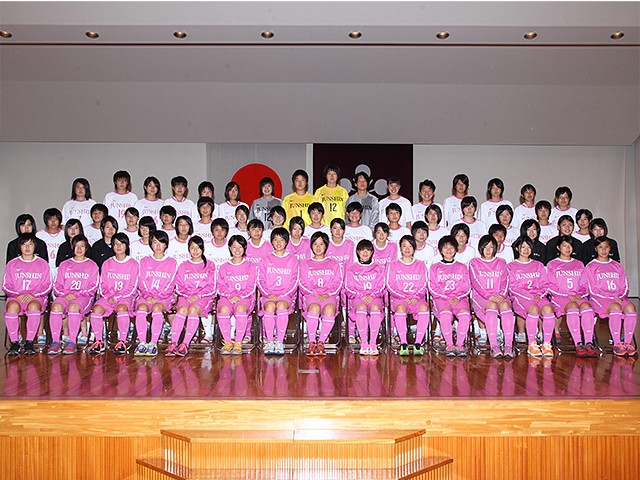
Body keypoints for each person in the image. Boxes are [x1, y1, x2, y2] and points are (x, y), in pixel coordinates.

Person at [582, 236, 636, 356]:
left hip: (618, 298)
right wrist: (611, 298)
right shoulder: (590, 267)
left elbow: (625, 285)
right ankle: (617, 344)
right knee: (615, 307)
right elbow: (591, 288)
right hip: (600, 299)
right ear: (596, 249)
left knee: (631, 308)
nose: (603, 250)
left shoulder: (617, 266)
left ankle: (627, 342)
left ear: (610, 248)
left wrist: (621, 296)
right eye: (600, 247)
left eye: (606, 247)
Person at [88, 233, 139, 355]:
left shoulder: (133, 264)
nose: (118, 246)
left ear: (127, 245)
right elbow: (103, 284)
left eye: (121, 243)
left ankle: (122, 341)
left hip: (126, 297)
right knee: (96, 308)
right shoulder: (107, 263)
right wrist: (109, 296)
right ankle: (99, 341)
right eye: (115, 244)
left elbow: (133, 287)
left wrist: (117, 297)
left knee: (121, 308)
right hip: (109, 297)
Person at [3, 233, 53, 356]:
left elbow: (48, 285)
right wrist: (17, 294)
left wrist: (34, 295)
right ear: (19, 246)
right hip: (17, 296)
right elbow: (6, 285)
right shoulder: (12, 264)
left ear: (35, 246)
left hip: (36, 297)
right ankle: (14, 342)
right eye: (24, 244)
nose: (27, 247)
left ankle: (29, 342)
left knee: (33, 306)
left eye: (30, 244)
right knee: (12, 307)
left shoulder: (42, 264)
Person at [547, 235, 597, 357]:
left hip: (578, 296)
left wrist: (579, 294)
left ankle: (589, 342)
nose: (568, 248)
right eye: (564, 246)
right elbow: (550, 286)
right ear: (558, 247)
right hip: (560, 297)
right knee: (573, 307)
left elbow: (585, 285)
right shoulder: (552, 264)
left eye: (570, 245)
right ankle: (578, 342)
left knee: (587, 308)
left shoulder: (579, 264)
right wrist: (567, 295)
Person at [48, 234, 99, 355]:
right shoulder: (64, 264)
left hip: (83, 297)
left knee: (73, 307)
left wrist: (77, 295)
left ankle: (72, 341)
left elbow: (93, 287)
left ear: (86, 248)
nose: (79, 249)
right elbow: (57, 285)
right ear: (72, 247)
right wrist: (65, 294)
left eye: (82, 246)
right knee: (56, 306)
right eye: (76, 246)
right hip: (65, 295)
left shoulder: (92, 265)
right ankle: (56, 342)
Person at [167, 236, 216, 357]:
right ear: (188, 249)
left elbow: (212, 286)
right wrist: (188, 295)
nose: (195, 251)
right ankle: (173, 343)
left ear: (203, 249)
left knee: (193, 310)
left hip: (204, 297)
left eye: (198, 247)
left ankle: (185, 344)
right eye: (192, 248)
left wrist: (198, 295)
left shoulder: (210, 265)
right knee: (182, 310)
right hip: (186, 296)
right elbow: (178, 285)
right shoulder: (183, 265)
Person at [507, 236, 556, 358]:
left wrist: (539, 295)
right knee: (533, 309)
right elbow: (512, 287)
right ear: (517, 248)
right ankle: (532, 344)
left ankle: (546, 343)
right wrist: (529, 297)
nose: (526, 250)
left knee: (548, 309)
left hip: (538, 296)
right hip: (521, 298)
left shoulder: (538, 265)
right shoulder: (511, 266)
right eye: (523, 247)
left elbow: (546, 284)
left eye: (528, 247)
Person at [469, 235, 515, 358]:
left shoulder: (501, 262)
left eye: (491, 247)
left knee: (505, 305)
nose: (488, 250)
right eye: (486, 247)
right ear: (480, 248)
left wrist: (502, 294)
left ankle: (508, 345)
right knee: (492, 306)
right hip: (481, 297)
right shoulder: (474, 262)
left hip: (499, 295)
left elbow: (506, 280)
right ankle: (494, 345)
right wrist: (488, 296)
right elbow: (475, 282)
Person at [299, 232, 343, 356]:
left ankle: (321, 341)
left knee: (329, 309)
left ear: (326, 246)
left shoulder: (333, 263)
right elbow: (302, 283)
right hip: (311, 295)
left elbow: (338, 282)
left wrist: (328, 293)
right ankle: (312, 341)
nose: (318, 247)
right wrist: (314, 293)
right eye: (315, 244)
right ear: (311, 246)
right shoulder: (305, 264)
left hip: (329, 296)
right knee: (314, 308)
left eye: (321, 244)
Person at [133, 231, 177, 357]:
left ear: (166, 244)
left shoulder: (172, 262)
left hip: (164, 297)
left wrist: (158, 296)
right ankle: (142, 343)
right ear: (150, 244)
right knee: (141, 308)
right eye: (154, 242)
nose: (158, 246)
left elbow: (171, 283)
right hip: (146, 296)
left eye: (161, 242)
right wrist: (148, 295)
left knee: (157, 308)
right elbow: (141, 280)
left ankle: (153, 343)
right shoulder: (144, 261)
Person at [428, 235, 472, 357]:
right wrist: (446, 298)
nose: (448, 250)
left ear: (456, 249)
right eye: (445, 248)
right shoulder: (435, 267)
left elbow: (467, 287)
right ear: (440, 250)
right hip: (442, 299)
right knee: (446, 314)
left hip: (459, 298)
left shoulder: (462, 267)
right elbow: (432, 287)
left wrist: (457, 297)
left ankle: (460, 344)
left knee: (464, 314)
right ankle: (449, 344)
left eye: (451, 247)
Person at [257, 228, 299, 355]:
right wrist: (268, 294)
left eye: (281, 240)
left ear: (286, 242)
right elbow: (260, 280)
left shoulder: (293, 260)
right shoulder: (265, 259)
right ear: (271, 242)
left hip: (286, 296)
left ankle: (280, 341)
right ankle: (270, 342)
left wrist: (283, 294)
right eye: (275, 240)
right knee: (269, 306)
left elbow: (295, 281)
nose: (278, 243)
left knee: (281, 305)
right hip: (268, 295)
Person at [386, 235, 429, 356]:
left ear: (414, 248)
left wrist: (416, 296)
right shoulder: (392, 265)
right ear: (400, 248)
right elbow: (390, 284)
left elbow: (424, 283)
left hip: (416, 298)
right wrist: (404, 297)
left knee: (424, 308)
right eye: (404, 246)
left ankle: (418, 343)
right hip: (399, 298)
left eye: (410, 246)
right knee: (400, 308)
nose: (407, 249)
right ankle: (403, 343)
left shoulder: (421, 264)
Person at [217, 235, 258, 355]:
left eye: (240, 247)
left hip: (245, 298)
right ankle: (228, 342)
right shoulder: (224, 267)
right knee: (223, 309)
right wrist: (229, 296)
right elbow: (220, 286)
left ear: (244, 248)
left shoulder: (251, 266)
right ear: (230, 248)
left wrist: (240, 296)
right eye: (234, 247)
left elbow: (251, 286)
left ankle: (238, 342)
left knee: (240, 308)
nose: (237, 250)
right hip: (228, 297)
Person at [344, 239, 386, 355]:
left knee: (375, 309)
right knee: (361, 308)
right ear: (357, 252)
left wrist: (372, 295)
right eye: (362, 250)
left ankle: (373, 343)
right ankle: (364, 343)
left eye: (368, 250)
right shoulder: (352, 268)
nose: (365, 253)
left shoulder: (378, 268)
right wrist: (361, 295)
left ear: (372, 252)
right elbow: (348, 287)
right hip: (359, 298)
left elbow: (382, 285)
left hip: (374, 298)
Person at [36, 208, 65, 275]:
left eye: (56, 219)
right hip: (44, 268)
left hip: (60, 268)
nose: (53, 222)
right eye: (50, 219)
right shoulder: (39, 235)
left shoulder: (64, 235)